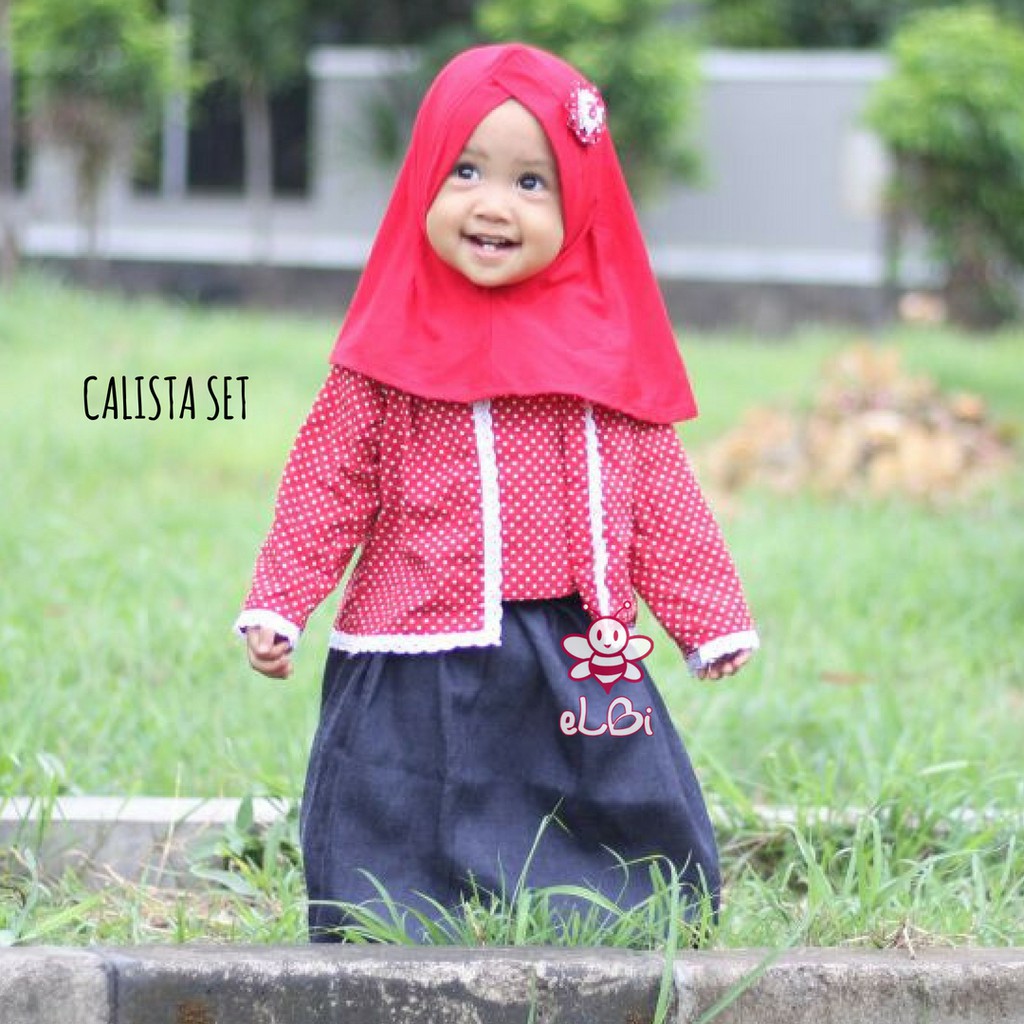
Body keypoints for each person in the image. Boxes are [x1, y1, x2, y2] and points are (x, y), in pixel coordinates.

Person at [235, 42, 758, 941]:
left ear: (582, 202)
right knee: (393, 789)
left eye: (531, 183)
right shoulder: (384, 355)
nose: (491, 204)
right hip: (414, 638)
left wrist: (707, 615)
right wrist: (281, 599)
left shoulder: (606, 355)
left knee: (607, 786)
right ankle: (389, 918)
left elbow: (659, 494)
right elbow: (328, 480)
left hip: (570, 635)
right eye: (466, 170)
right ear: (424, 177)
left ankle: (619, 914)